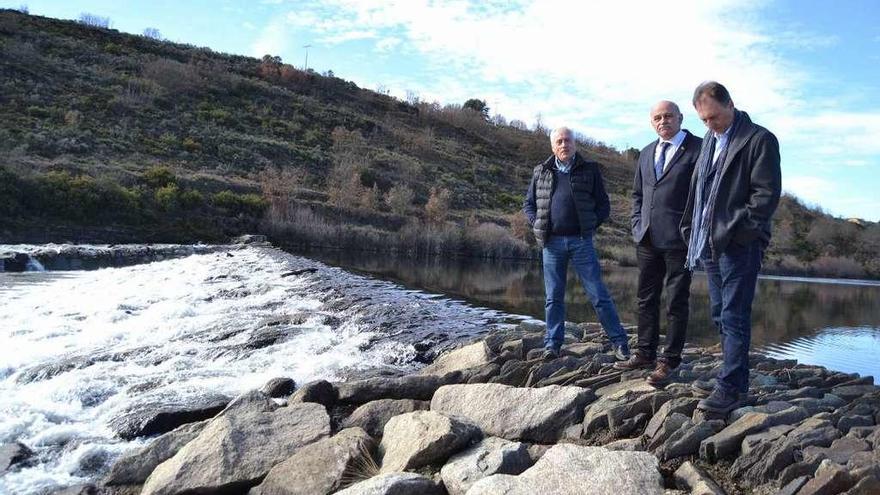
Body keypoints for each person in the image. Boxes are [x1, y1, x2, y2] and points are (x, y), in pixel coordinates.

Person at [682, 81, 781, 415]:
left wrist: (740, 232)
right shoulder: (710, 140)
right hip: (708, 242)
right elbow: (699, 190)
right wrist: (689, 227)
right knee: (718, 312)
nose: (710, 125)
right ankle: (730, 374)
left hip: (738, 244)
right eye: (704, 121)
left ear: (731, 104)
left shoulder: (759, 139)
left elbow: (765, 196)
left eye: (714, 117)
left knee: (734, 314)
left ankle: (733, 388)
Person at [523, 126, 630, 360]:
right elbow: (529, 204)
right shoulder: (540, 171)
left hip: (581, 242)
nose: (564, 145)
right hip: (551, 244)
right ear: (553, 146)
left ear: (574, 144)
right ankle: (552, 344)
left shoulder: (590, 170)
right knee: (554, 297)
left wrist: (591, 225)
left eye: (568, 141)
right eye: (559, 141)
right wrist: (536, 223)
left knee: (599, 295)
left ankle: (620, 343)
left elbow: (603, 205)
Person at [614, 101, 701, 386]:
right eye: (657, 118)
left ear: (680, 118)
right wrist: (636, 224)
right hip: (647, 238)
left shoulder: (699, 149)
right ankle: (645, 353)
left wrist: (693, 230)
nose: (663, 121)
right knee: (645, 298)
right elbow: (638, 194)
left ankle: (670, 361)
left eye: (668, 116)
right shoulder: (646, 152)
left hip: (680, 239)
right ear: (652, 122)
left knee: (677, 301)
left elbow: (703, 195)